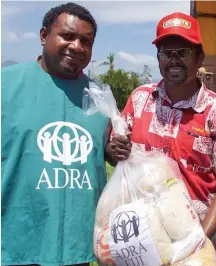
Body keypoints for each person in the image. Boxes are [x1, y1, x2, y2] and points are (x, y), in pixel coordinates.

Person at [1, 2, 130, 266]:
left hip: (76, 246)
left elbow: (105, 150)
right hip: (15, 241)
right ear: (43, 36)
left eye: (86, 41)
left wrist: (112, 151)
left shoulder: (99, 97)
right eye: (67, 36)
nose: (77, 46)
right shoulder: (6, 84)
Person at [110, 12, 216, 257]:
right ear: (158, 58)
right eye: (166, 52)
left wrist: (197, 241)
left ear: (200, 58)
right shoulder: (140, 99)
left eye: (183, 53)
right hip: (142, 240)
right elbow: (115, 155)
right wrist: (113, 150)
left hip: (199, 242)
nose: (174, 60)